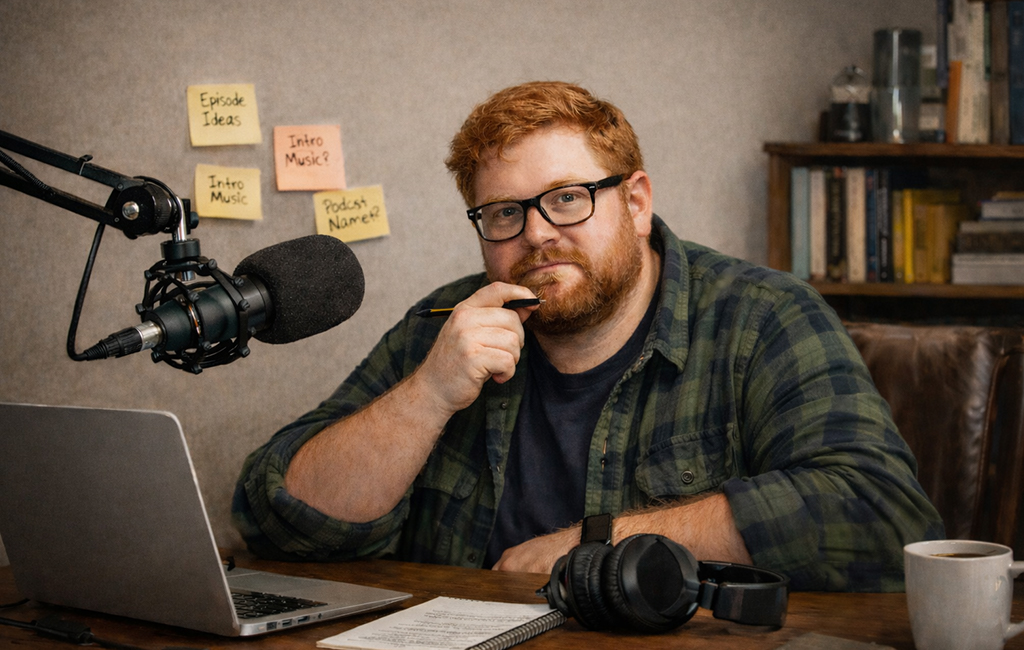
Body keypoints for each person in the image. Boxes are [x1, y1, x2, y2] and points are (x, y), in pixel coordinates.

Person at [233, 81, 943, 591]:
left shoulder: (764, 318)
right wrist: (428, 394)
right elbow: (276, 522)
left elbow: (880, 514)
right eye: (504, 213)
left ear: (635, 202)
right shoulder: (452, 325)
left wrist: (593, 544)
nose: (537, 233)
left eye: (568, 198)